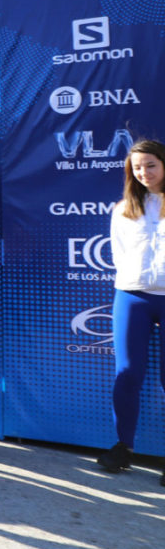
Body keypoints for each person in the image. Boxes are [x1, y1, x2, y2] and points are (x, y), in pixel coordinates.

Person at [97, 139, 165, 487]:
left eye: (150, 165)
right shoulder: (123, 208)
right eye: (137, 167)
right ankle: (124, 446)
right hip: (132, 296)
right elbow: (119, 254)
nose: (144, 172)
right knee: (126, 374)